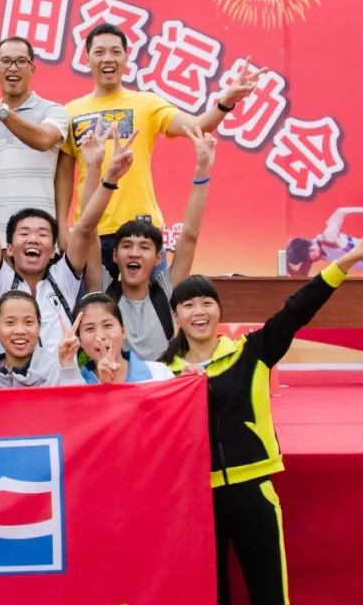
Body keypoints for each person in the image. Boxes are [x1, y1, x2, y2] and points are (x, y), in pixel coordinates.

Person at [161, 220, 363, 605]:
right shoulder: (162, 375)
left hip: (253, 494)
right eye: (188, 305)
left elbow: (297, 309)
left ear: (218, 311)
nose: (198, 312)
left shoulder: (253, 352)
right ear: (177, 317)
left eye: (206, 303)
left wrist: (343, 263)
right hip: (198, 505)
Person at [55, 23, 262, 274]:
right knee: (93, 299)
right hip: (91, 231)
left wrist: (226, 102)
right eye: (99, 52)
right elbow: (64, 175)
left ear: (126, 57)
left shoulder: (147, 103)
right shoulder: (70, 111)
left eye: (115, 52)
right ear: (86, 58)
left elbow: (198, 125)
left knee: (160, 299)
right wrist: (62, 226)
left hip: (142, 233)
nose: (108, 59)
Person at [0, 119, 132, 354]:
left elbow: (85, 228)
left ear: (53, 250)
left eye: (43, 234)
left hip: (61, 376)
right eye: (24, 233)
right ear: (9, 248)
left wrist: (105, 175)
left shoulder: (63, 278)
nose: (33, 239)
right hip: (7, 376)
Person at [94, 125, 217, 361]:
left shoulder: (166, 291)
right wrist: (102, 173)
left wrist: (202, 170)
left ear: (158, 257)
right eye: (127, 246)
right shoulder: (103, 288)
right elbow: (87, 230)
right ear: (115, 255)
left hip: (161, 384)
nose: (134, 253)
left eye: (144, 247)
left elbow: (190, 235)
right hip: (114, 383)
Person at [0, 36, 69, 232]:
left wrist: (1, 112)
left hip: (40, 235)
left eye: (21, 61)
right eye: (6, 61)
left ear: (32, 68)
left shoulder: (53, 111)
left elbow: (43, 140)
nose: (13, 68)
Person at [0, 291, 82, 388]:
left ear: (39, 327)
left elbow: (76, 403)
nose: (20, 331)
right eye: (10, 322)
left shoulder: (55, 369)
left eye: (28, 322)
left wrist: (68, 366)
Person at [69, 293, 173, 386]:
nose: (100, 336)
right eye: (90, 329)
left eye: (107, 325)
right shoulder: (77, 385)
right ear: (79, 340)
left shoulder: (159, 374)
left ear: (123, 331)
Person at [285, 207, 363, 277]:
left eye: (307, 259)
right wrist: (285, 264)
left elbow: (341, 211)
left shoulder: (327, 238)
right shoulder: (313, 252)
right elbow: (301, 276)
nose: (309, 262)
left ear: (311, 249)